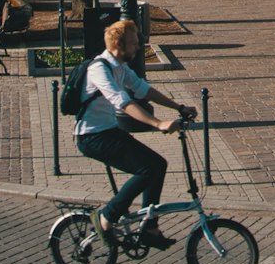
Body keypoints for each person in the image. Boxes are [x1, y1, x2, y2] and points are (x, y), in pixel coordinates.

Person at [75, 17, 197, 250]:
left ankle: (150, 228)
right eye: (133, 43)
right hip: (91, 137)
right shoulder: (99, 69)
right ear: (118, 45)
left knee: (157, 164)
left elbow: (143, 90)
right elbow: (122, 102)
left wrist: (179, 108)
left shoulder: (120, 67)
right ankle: (106, 217)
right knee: (146, 168)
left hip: (109, 132)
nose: (138, 47)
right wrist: (158, 123)